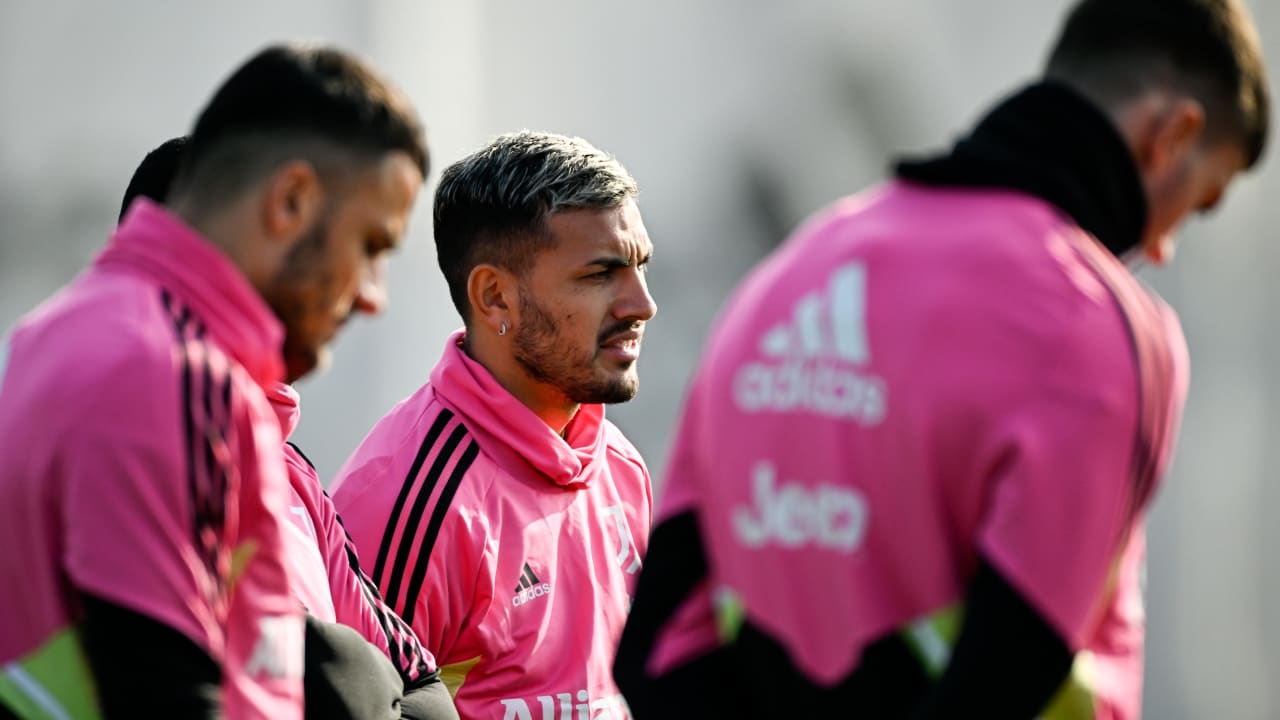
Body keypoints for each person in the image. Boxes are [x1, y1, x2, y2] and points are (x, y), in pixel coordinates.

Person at [613, 0, 1269, 718]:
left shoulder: (788, 278)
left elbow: (655, 650)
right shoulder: (1107, 328)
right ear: (1171, 137)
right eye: (1199, 201)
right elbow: (1010, 678)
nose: (1166, 246)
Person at [0, 44, 428, 719]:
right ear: (289, 201)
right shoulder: (174, 374)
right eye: (372, 245)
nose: (374, 294)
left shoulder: (55, 334)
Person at [117, 136, 458, 720]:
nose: (350, 294)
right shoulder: (107, 457)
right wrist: (336, 668)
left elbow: (423, 689)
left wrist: (343, 668)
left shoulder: (289, 468)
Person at [330, 131, 656, 719]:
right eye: (600, 274)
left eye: (640, 266)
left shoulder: (621, 466)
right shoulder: (408, 498)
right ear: (496, 298)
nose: (641, 303)